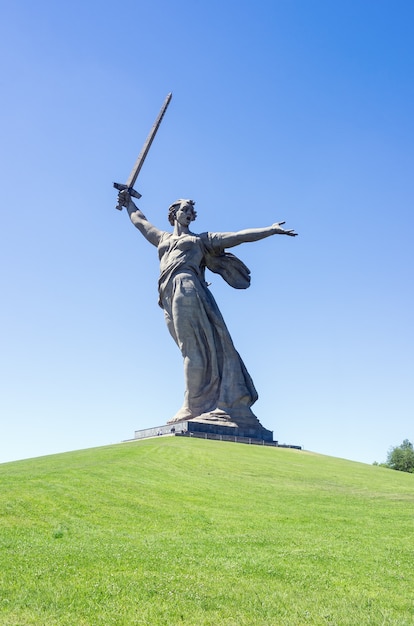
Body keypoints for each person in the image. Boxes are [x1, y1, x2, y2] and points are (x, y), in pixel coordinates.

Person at [118, 191, 297, 427]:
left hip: (187, 287)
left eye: (192, 212)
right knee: (187, 349)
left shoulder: (200, 240)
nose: (189, 214)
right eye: (185, 210)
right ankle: (199, 402)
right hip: (167, 294)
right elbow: (140, 221)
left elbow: (238, 236)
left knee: (192, 349)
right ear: (173, 214)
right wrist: (128, 201)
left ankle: (191, 406)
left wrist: (270, 230)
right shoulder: (162, 239)